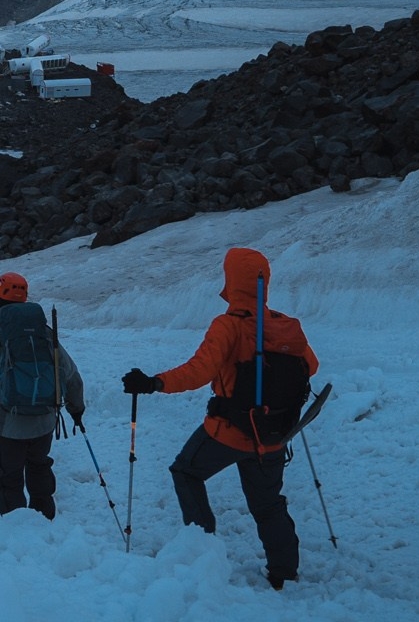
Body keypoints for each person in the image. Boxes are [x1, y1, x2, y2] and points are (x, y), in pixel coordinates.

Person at [124, 247, 319, 590]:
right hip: (273, 434)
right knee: (268, 504)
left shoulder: (228, 325)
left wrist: (154, 383)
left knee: (185, 472)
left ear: (232, 281)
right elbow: (311, 367)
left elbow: (199, 371)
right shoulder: (284, 326)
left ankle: (202, 549)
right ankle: (284, 571)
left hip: (228, 431)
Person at [0, 271, 85, 517]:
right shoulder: (45, 333)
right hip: (44, 419)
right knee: (39, 467)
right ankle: (45, 519)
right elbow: (71, 375)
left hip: (9, 423)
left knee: (9, 478)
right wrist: (76, 409)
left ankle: (15, 527)